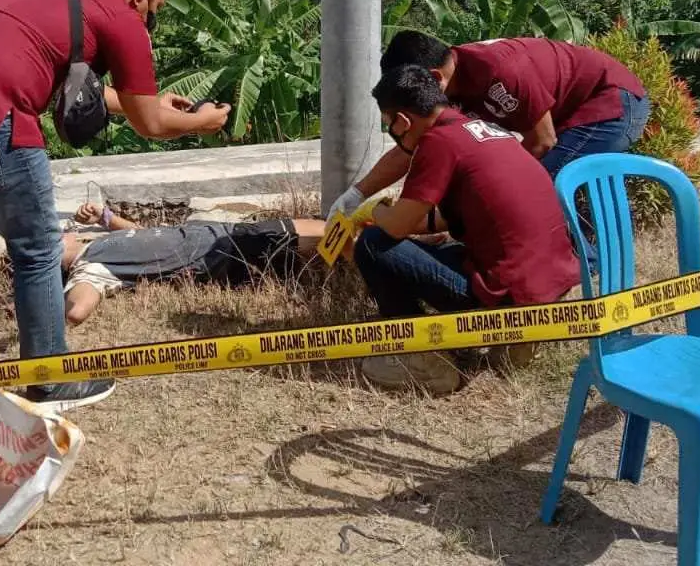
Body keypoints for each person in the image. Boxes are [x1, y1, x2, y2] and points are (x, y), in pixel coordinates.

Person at [0, 0, 230, 413]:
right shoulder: (122, 19)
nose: (151, 19)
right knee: (38, 250)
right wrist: (204, 122)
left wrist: (156, 102)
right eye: (155, 8)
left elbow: (77, 81)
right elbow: (149, 126)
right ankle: (50, 380)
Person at [353, 65, 582, 395]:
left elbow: (397, 226)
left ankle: (422, 360)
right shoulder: (482, 131)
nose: (394, 134)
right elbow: (461, 214)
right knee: (441, 249)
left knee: (374, 243)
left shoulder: (437, 142)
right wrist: (412, 228)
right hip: (547, 286)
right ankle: (520, 337)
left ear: (403, 121)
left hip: (507, 292)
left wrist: (374, 211)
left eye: (391, 126)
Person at [330, 31, 651, 221]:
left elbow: (542, 142)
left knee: (545, 187)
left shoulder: (498, 71)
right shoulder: (444, 90)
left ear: (433, 78)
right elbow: (409, 148)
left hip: (611, 102)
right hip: (567, 115)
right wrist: (355, 195)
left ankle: (582, 269)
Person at [59, 203, 327, 325]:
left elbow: (141, 234)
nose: (59, 232)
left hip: (224, 232)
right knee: (332, 235)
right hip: (222, 253)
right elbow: (77, 311)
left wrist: (105, 217)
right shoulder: (89, 268)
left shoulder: (94, 244)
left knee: (331, 234)